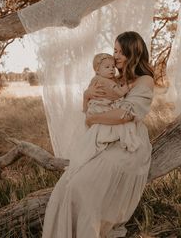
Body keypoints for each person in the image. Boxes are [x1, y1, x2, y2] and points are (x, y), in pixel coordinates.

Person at [42, 31, 154, 238]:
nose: (116, 56)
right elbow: (91, 109)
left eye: (121, 51)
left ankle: (90, 230)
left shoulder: (144, 80)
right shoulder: (114, 78)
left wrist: (93, 119)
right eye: (115, 51)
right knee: (69, 183)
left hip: (130, 144)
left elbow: (125, 114)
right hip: (106, 138)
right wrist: (87, 96)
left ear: (133, 52)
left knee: (85, 184)